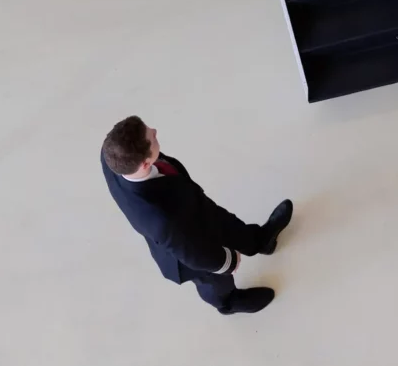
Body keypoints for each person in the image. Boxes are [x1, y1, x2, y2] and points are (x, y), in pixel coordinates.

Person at [100, 115, 293, 315]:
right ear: (145, 164)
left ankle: (261, 242)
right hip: (187, 251)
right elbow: (196, 255)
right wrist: (229, 261)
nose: (155, 130)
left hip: (192, 211)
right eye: (153, 138)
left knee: (229, 224)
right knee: (213, 280)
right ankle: (228, 303)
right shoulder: (160, 219)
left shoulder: (112, 154)